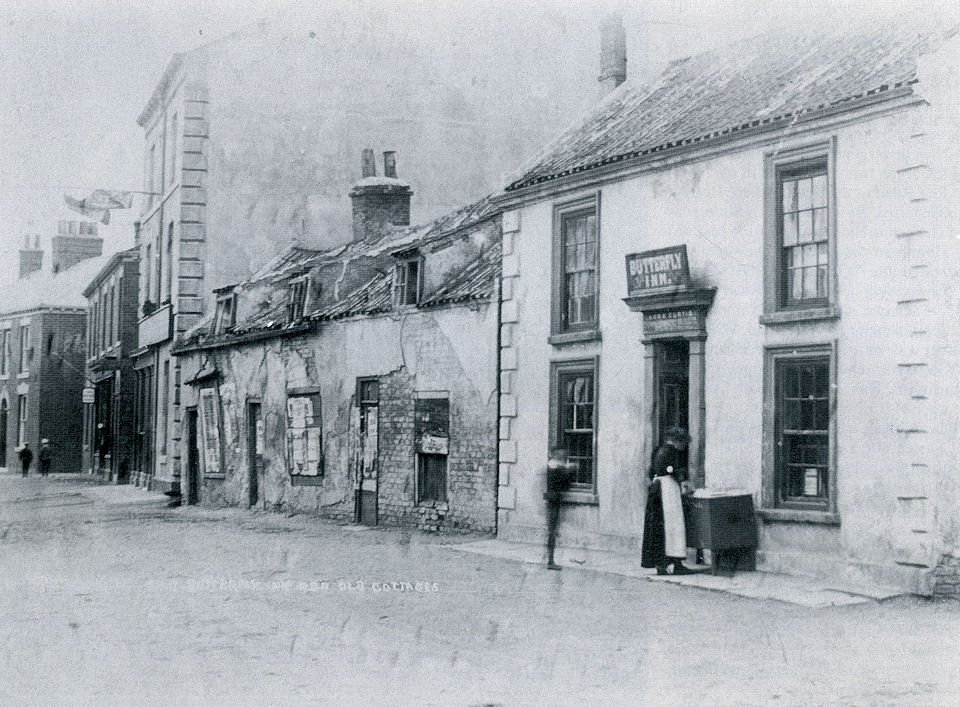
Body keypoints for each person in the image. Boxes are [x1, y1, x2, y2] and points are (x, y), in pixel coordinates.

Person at [641, 427, 695, 575]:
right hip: (668, 490)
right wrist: (683, 481)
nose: (683, 447)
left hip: (657, 489)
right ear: (677, 441)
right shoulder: (671, 452)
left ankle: (661, 564)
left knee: (660, 527)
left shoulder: (657, 451)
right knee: (674, 525)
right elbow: (672, 470)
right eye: (683, 444)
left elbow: (651, 471)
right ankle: (676, 563)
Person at [544, 447, 577, 570]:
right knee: (552, 532)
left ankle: (550, 560)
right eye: (560, 454)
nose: (562, 456)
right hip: (553, 502)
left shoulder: (553, 466)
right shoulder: (554, 467)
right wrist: (569, 470)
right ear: (555, 454)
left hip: (553, 501)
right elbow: (565, 483)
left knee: (552, 531)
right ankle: (550, 561)